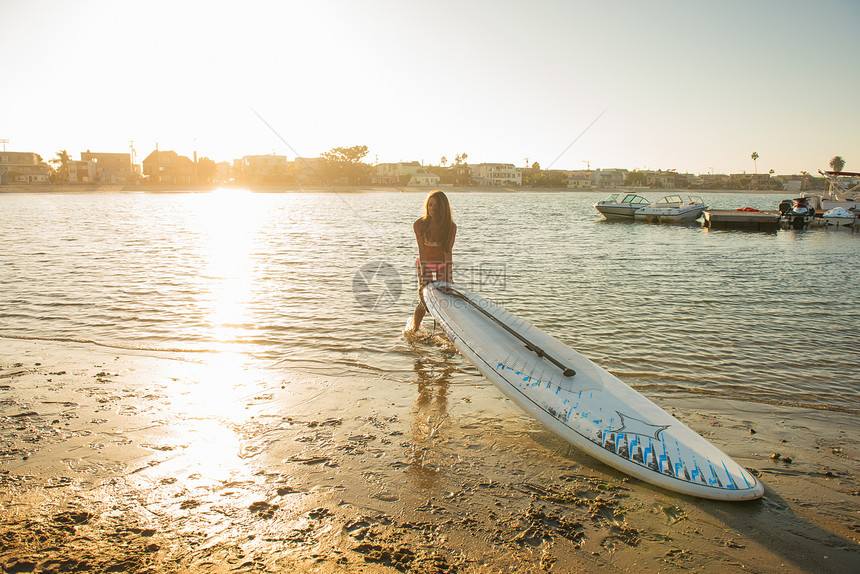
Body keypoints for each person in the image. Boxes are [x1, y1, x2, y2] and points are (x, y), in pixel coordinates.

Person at [408, 190, 456, 332]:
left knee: (445, 296)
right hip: (425, 263)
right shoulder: (419, 225)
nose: (432, 208)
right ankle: (415, 328)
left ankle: (447, 331)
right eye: (430, 205)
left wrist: (449, 277)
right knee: (424, 300)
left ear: (443, 208)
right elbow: (422, 251)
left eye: (436, 206)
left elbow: (447, 251)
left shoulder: (450, 227)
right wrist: (423, 275)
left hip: (442, 263)